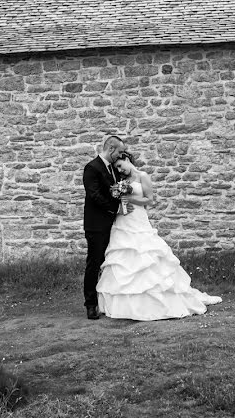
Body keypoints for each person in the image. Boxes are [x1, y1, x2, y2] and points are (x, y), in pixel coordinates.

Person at [96, 151, 222, 321]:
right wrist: (119, 198)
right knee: (124, 257)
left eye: (120, 165)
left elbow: (149, 200)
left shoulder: (143, 176)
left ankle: (158, 298)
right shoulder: (122, 181)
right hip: (123, 220)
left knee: (146, 254)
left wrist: (129, 198)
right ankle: (124, 302)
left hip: (138, 219)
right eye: (117, 168)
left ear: (127, 159)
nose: (120, 169)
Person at [82, 135, 127, 320]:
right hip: (97, 225)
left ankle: (107, 301)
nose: (120, 155)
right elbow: (94, 195)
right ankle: (91, 304)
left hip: (113, 224)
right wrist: (115, 208)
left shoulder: (113, 169)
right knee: (95, 263)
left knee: (110, 263)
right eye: (119, 152)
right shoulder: (92, 168)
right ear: (110, 149)